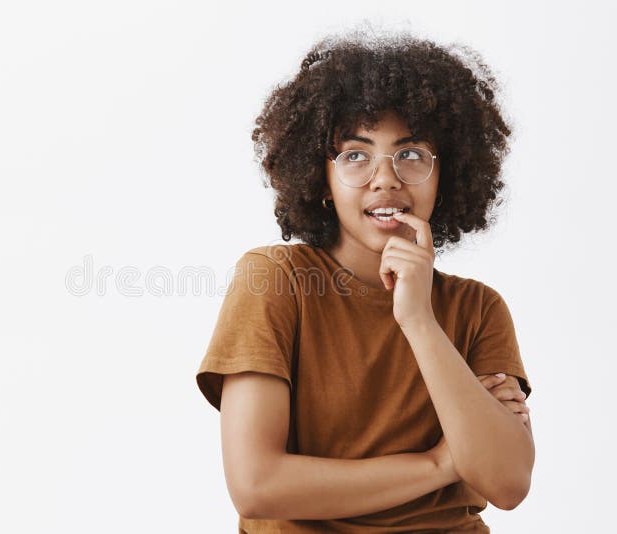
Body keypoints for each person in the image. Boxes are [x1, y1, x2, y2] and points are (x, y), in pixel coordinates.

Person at [195, 27, 534, 533]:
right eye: (356, 154)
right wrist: (441, 464)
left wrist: (419, 320)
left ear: (448, 175)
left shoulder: (477, 309)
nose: (385, 178)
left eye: (412, 153)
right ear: (322, 179)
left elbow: (506, 483)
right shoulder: (275, 280)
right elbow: (257, 484)